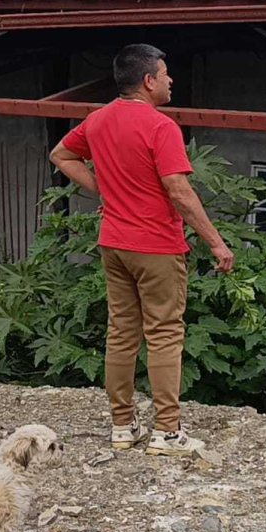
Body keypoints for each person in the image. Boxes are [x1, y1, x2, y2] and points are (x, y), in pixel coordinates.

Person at [49, 43, 234, 456]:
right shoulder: (160, 126)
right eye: (166, 74)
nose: (171, 81)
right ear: (149, 81)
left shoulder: (97, 121)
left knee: (121, 332)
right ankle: (167, 431)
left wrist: (105, 188)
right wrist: (216, 242)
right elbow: (179, 190)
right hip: (156, 246)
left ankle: (121, 425)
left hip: (114, 242)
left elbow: (60, 154)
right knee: (165, 333)